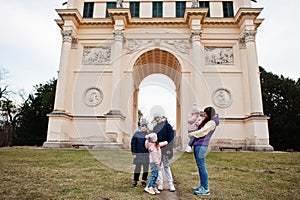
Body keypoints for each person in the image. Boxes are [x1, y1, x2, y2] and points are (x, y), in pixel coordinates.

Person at [188, 106, 219, 196]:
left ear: (209, 113)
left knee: (202, 167)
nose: (204, 114)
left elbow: (203, 132)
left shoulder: (212, 123)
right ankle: (202, 186)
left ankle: (205, 189)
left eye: (205, 113)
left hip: (201, 146)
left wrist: (192, 134)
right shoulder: (208, 121)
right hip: (198, 145)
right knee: (200, 166)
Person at [152, 112, 176, 192]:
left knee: (166, 166)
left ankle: (170, 184)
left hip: (166, 149)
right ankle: (160, 183)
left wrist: (169, 148)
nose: (157, 119)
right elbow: (154, 139)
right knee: (158, 167)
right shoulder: (155, 128)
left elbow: (171, 138)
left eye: (158, 117)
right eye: (156, 118)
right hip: (158, 149)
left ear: (162, 118)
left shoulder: (167, 126)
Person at [130, 122, 149, 187]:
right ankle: (135, 181)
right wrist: (134, 153)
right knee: (137, 168)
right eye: (143, 126)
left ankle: (144, 180)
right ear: (140, 127)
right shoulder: (136, 134)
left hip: (146, 154)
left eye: (145, 126)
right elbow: (133, 144)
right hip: (138, 154)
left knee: (146, 168)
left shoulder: (148, 135)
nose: (144, 128)